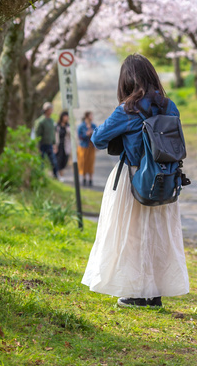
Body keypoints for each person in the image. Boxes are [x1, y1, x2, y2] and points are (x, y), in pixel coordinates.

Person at [81, 54, 189, 309]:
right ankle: (155, 294)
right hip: (165, 179)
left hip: (135, 181)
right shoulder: (169, 106)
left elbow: (98, 139)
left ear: (126, 79)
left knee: (134, 236)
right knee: (159, 235)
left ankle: (139, 294)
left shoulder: (129, 108)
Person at [34, 103, 59, 179]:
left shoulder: (51, 121)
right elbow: (37, 134)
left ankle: (55, 176)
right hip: (42, 144)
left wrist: (54, 143)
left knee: (53, 161)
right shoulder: (41, 121)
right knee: (41, 162)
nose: (51, 111)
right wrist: (38, 146)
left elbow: (52, 133)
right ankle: (40, 176)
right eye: (50, 110)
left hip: (49, 144)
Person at [77, 110, 97, 187]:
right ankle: (84, 178)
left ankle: (90, 179)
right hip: (83, 147)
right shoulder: (81, 126)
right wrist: (86, 134)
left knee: (91, 163)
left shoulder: (94, 126)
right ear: (87, 116)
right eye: (91, 115)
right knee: (83, 162)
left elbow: (96, 136)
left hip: (91, 147)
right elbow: (79, 136)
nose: (92, 117)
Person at [55, 110, 72, 175]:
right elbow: (55, 135)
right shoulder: (57, 125)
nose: (66, 118)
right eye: (65, 116)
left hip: (66, 145)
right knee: (58, 160)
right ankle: (59, 174)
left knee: (65, 160)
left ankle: (60, 173)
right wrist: (54, 145)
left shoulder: (68, 126)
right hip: (58, 145)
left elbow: (72, 136)